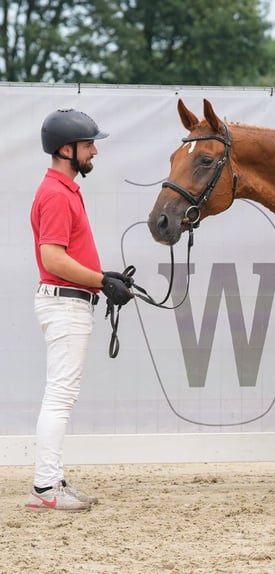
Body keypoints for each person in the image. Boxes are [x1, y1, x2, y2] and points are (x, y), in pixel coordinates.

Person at [26, 108, 134, 511]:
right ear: (66, 149)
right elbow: (52, 259)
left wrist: (101, 276)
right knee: (59, 397)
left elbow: (65, 256)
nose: (95, 152)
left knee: (60, 395)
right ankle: (45, 488)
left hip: (71, 302)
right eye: (89, 145)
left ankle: (50, 480)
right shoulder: (55, 194)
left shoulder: (65, 190)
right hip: (65, 305)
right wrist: (101, 281)